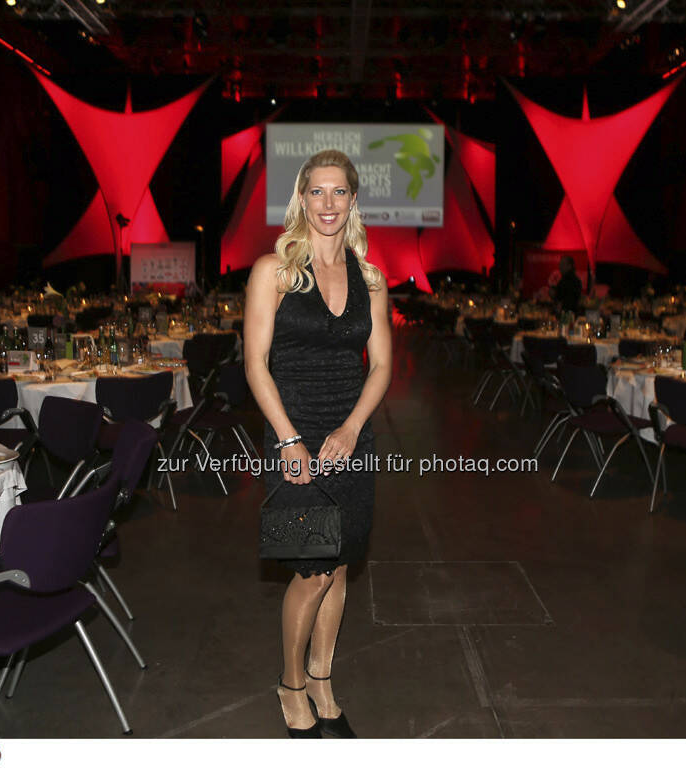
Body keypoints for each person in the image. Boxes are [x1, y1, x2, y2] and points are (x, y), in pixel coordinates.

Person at [244, 149, 391, 739]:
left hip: (351, 437)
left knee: (341, 564)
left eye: (339, 193)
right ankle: (291, 684)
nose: (327, 204)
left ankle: (324, 678)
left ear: (353, 200)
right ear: (301, 199)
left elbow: (380, 366)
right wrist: (287, 440)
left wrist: (352, 428)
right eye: (316, 192)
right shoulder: (272, 272)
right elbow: (255, 364)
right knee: (311, 569)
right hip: (291, 435)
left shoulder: (371, 278)